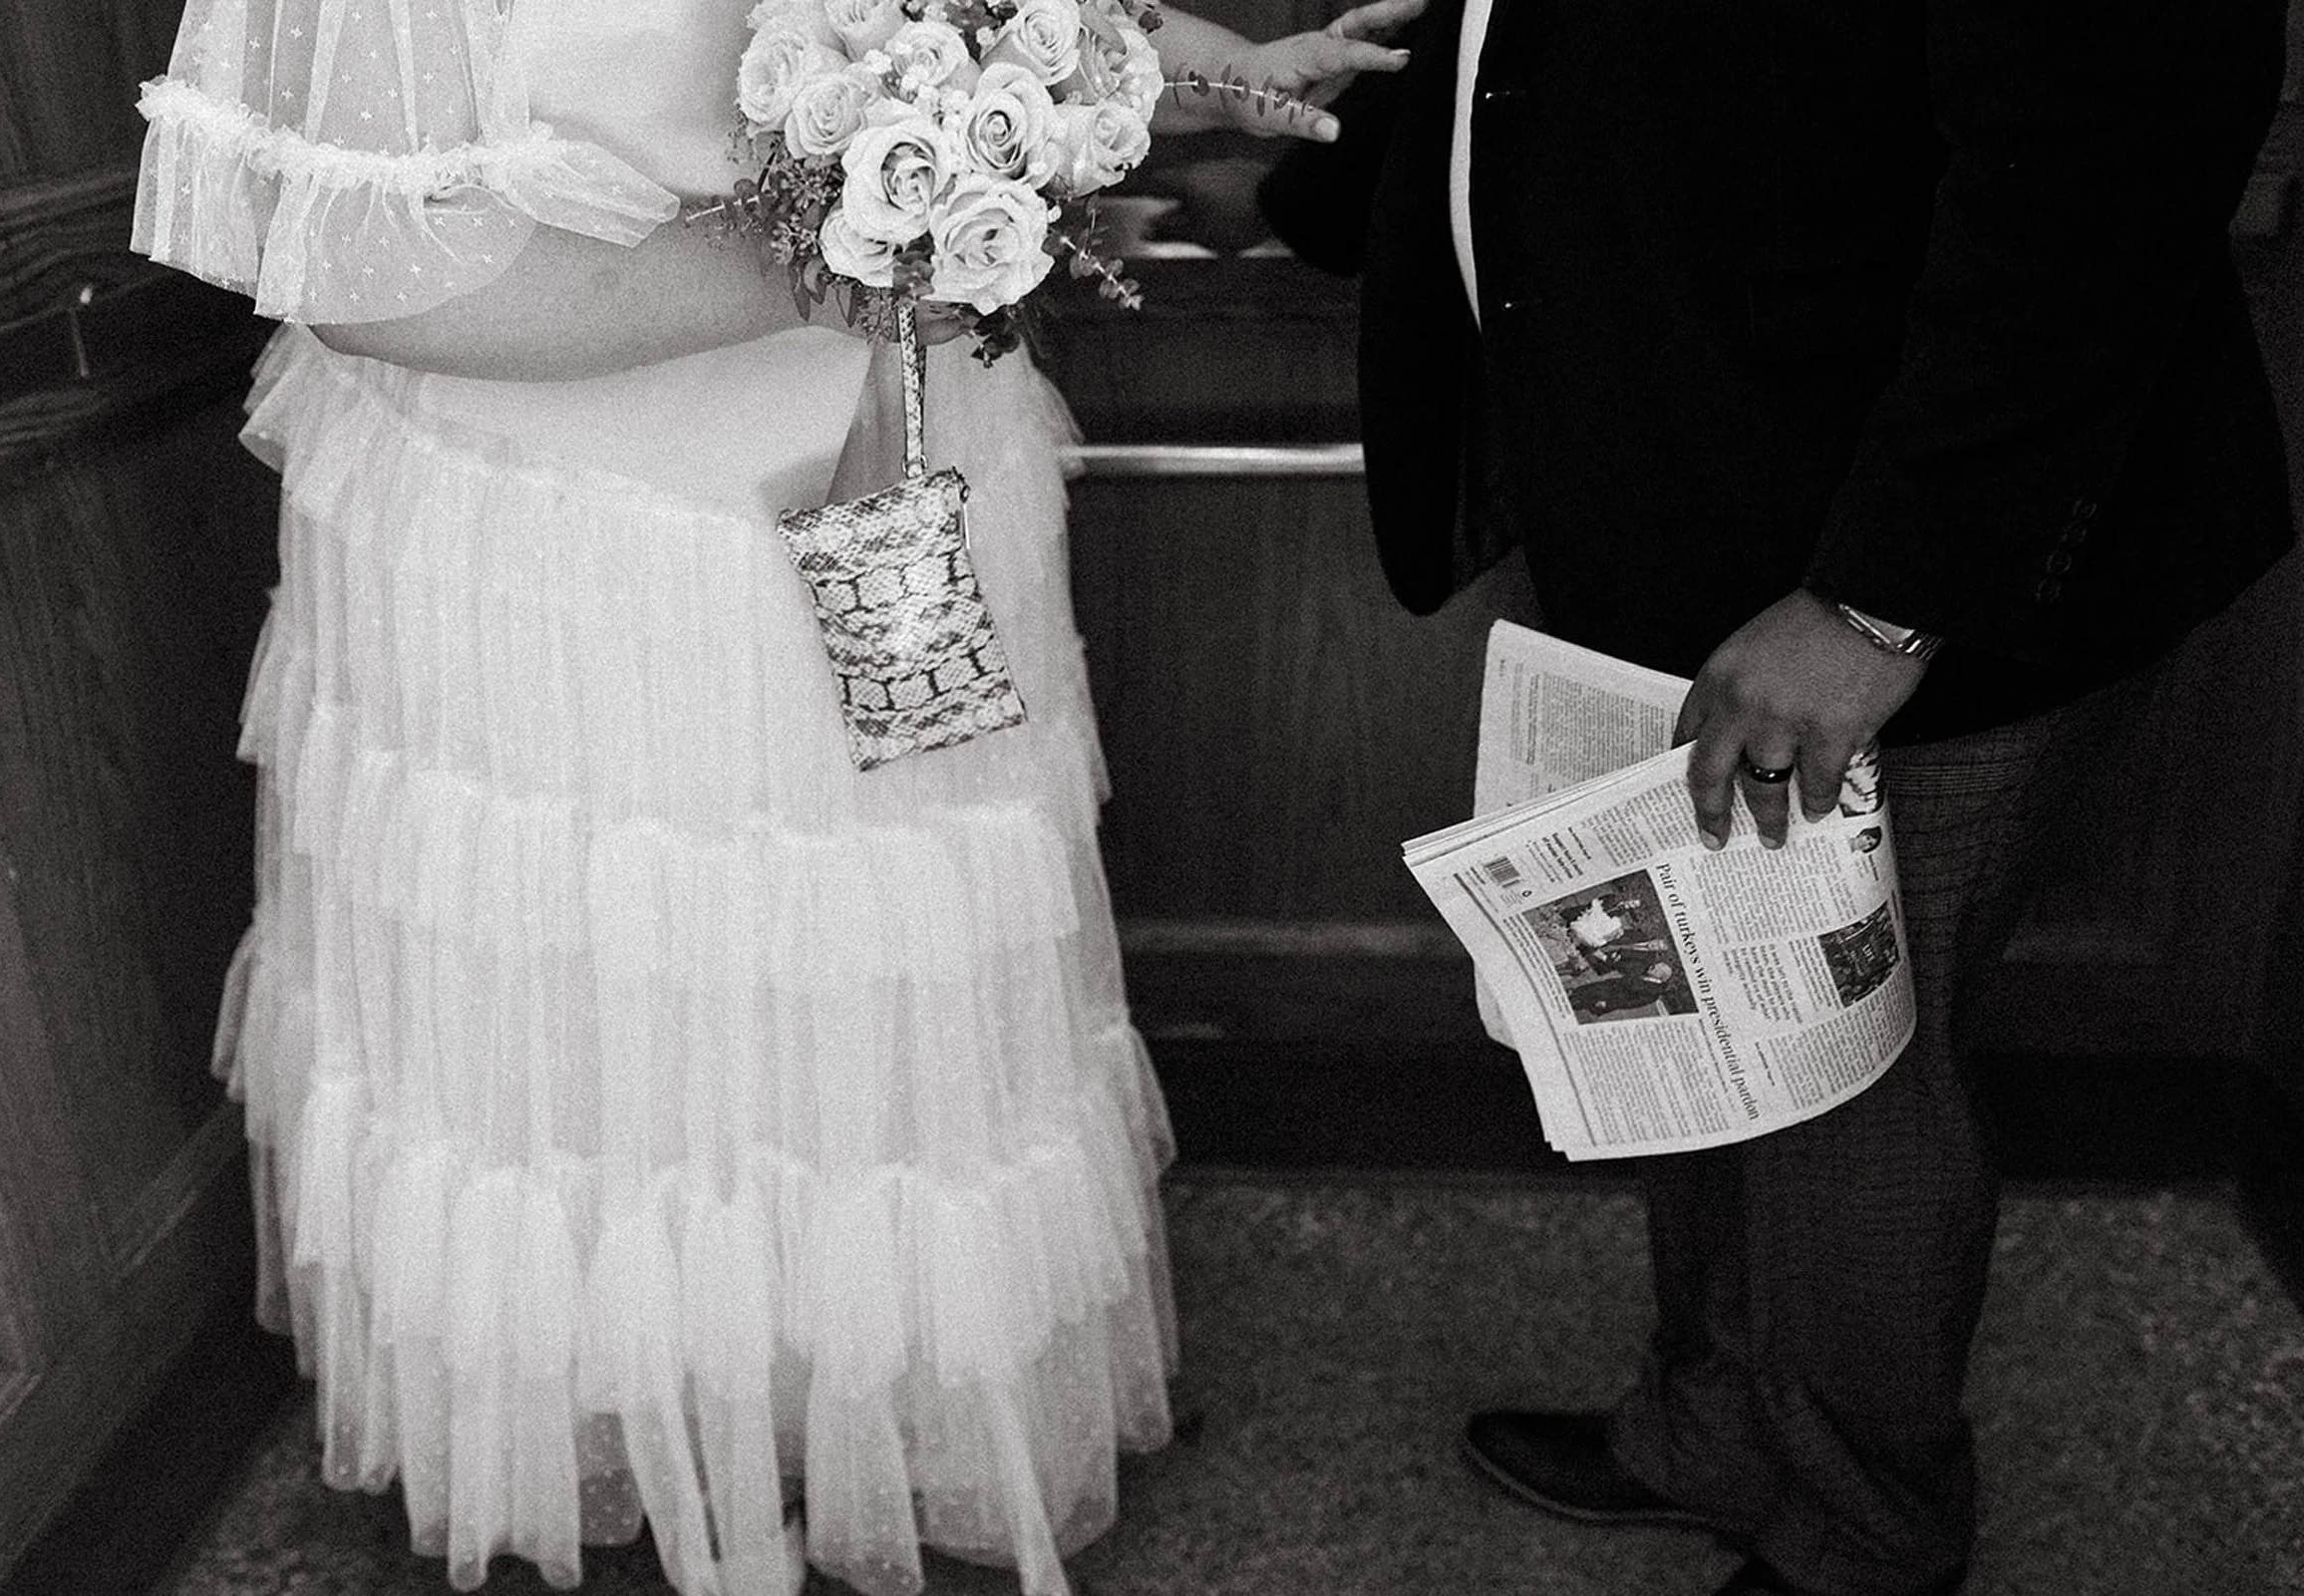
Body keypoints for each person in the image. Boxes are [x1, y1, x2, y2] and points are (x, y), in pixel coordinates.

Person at [131, 4, 1412, 1593]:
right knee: (621, 1010)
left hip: (908, 452)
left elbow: (994, 23)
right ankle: (652, 1439)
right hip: (588, 533)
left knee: (892, 976)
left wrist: (1192, 79)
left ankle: (864, 1418)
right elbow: (353, 264)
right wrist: (855, 252)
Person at [1272, 1, 2293, 1592]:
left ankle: (1868, 1537)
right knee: (1699, 1025)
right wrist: (1300, 174)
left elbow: (2108, 177)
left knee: (1846, 1091)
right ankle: (1714, 1428)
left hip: (1895, 568)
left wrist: (1878, 603)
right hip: (1676, 507)